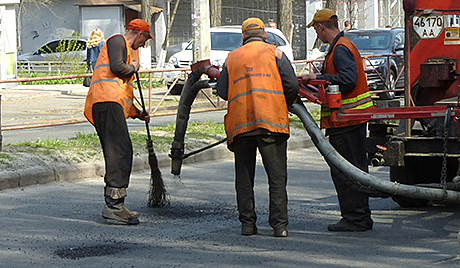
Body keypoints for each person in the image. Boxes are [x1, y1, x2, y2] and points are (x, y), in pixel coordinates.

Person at [217, 17, 299, 237]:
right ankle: (279, 227)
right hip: (271, 123)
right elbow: (292, 84)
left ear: (243, 37)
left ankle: (247, 225)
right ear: (264, 35)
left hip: (241, 125)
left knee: (244, 178)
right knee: (277, 177)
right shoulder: (276, 54)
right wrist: (285, 102)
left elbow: (223, 91)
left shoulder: (231, 58)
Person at [302, 9, 382, 232]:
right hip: (350, 120)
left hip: (347, 120)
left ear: (320, 27)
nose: (316, 34)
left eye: (316, 30)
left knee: (346, 170)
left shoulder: (340, 49)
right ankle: (359, 216)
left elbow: (348, 79)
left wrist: (319, 78)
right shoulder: (341, 45)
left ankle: (356, 218)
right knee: (354, 168)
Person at [84, 18, 154, 225]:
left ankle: (117, 204)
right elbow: (117, 69)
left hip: (109, 103)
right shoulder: (117, 41)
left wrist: (138, 112)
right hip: (105, 102)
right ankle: (113, 207)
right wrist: (133, 67)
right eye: (145, 40)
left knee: (122, 150)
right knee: (119, 151)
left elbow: (121, 92)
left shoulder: (127, 50)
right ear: (139, 34)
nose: (143, 44)